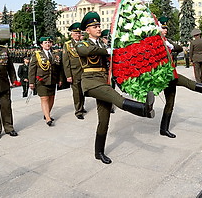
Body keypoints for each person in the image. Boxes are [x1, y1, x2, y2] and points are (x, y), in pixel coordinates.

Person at [76, 12, 156, 164]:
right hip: (91, 83)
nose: (98, 28)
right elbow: (85, 52)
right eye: (94, 26)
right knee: (116, 98)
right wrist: (107, 51)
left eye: (99, 26)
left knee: (104, 120)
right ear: (87, 30)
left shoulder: (103, 44)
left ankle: (99, 152)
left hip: (103, 81)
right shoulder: (83, 44)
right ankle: (143, 109)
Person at [159, 19, 202, 138]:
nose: (165, 30)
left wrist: (169, 45)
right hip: (164, 76)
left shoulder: (167, 41)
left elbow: (178, 48)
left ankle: (164, 129)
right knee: (187, 83)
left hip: (170, 73)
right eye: (163, 28)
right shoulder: (155, 42)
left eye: (166, 28)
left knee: (170, 103)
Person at [29, 37, 63, 126]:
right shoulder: (36, 54)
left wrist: (60, 79)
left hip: (53, 79)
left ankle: (47, 113)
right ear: (41, 44)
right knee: (44, 98)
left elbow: (59, 68)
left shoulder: (55, 54)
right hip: (42, 80)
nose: (47, 44)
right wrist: (31, 82)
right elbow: (32, 69)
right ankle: (48, 118)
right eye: (45, 42)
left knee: (51, 97)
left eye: (49, 42)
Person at [63, 23, 86, 120]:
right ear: (71, 34)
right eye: (76, 33)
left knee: (83, 91)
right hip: (74, 72)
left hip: (84, 71)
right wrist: (68, 75)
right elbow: (65, 61)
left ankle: (82, 106)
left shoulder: (84, 43)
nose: (77, 35)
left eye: (79, 33)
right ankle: (78, 111)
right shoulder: (68, 45)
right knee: (77, 92)